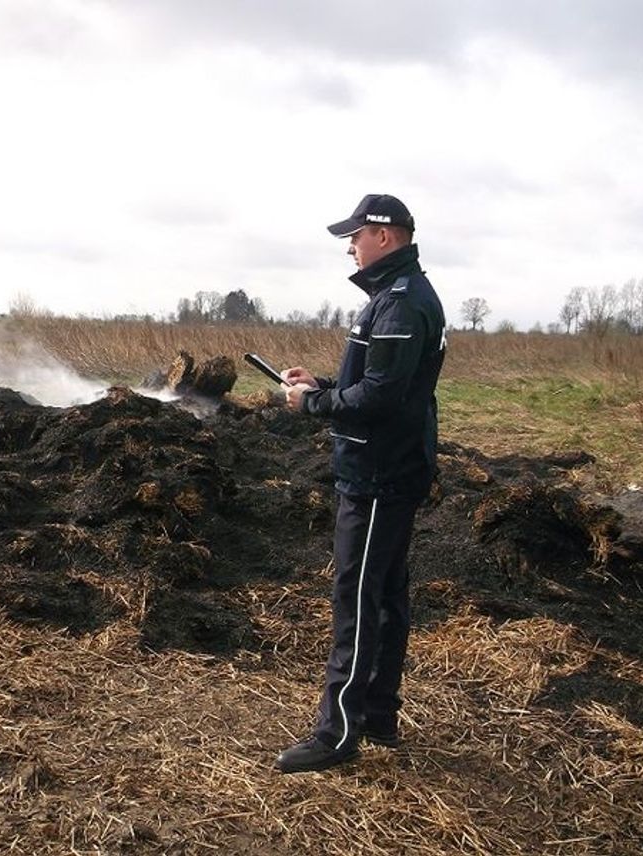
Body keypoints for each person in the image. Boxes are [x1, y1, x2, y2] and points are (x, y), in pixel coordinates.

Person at [274, 193, 446, 774]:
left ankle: (337, 733)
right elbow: (383, 381)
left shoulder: (398, 304)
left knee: (357, 599)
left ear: (387, 236)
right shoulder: (396, 298)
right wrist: (320, 380)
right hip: (391, 467)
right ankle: (376, 713)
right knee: (386, 596)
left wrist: (313, 403)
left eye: (356, 235)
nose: (349, 245)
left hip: (378, 475)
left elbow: (378, 398)